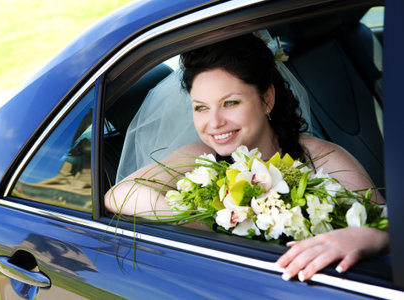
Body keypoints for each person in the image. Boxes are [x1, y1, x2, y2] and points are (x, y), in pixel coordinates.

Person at [105, 33, 388, 282]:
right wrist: (206, 220)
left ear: (267, 99)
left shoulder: (321, 158)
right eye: (201, 108)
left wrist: (372, 237)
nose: (214, 123)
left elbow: (386, 222)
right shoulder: (202, 156)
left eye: (230, 103)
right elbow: (119, 194)